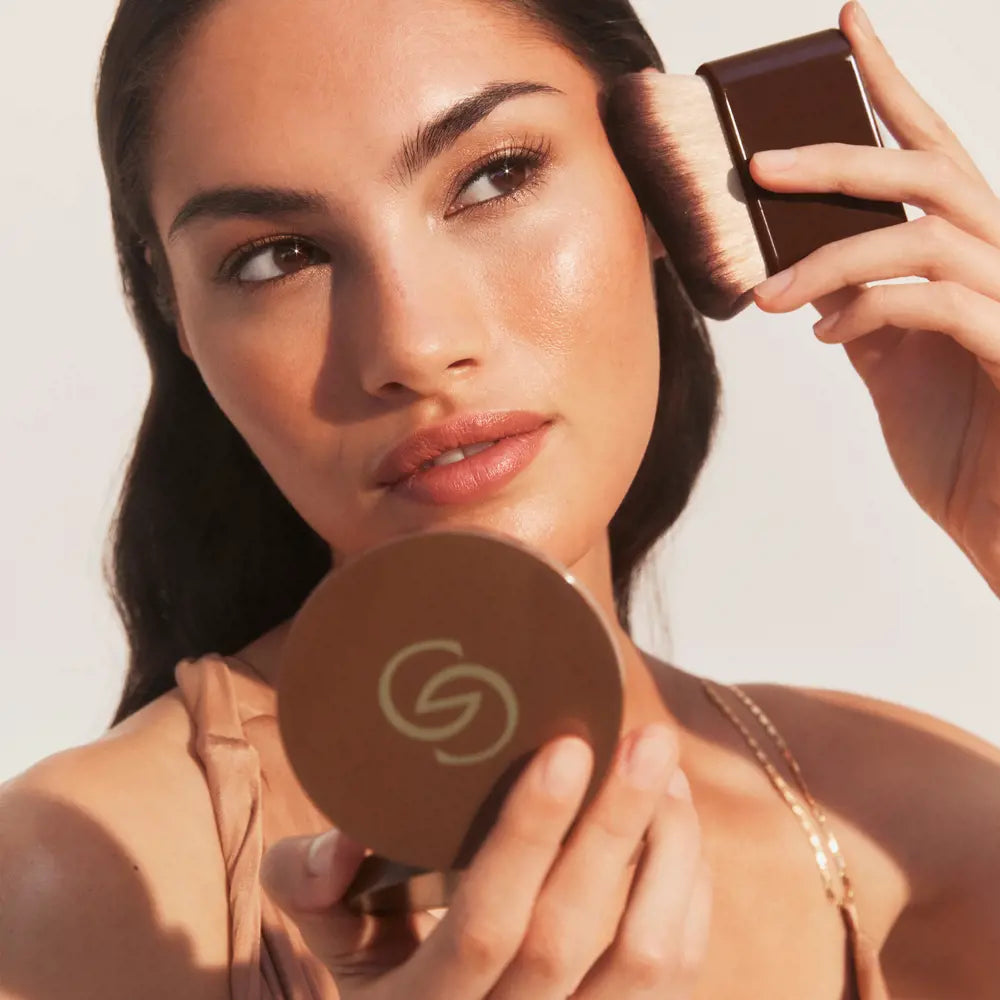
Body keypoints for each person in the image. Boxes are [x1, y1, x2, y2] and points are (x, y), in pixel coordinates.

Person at [1, 0, 998, 996]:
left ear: (660, 177)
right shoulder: (69, 888)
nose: (413, 345)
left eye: (494, 177)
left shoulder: (921, 837)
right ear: (180, 319)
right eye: (277, 257)